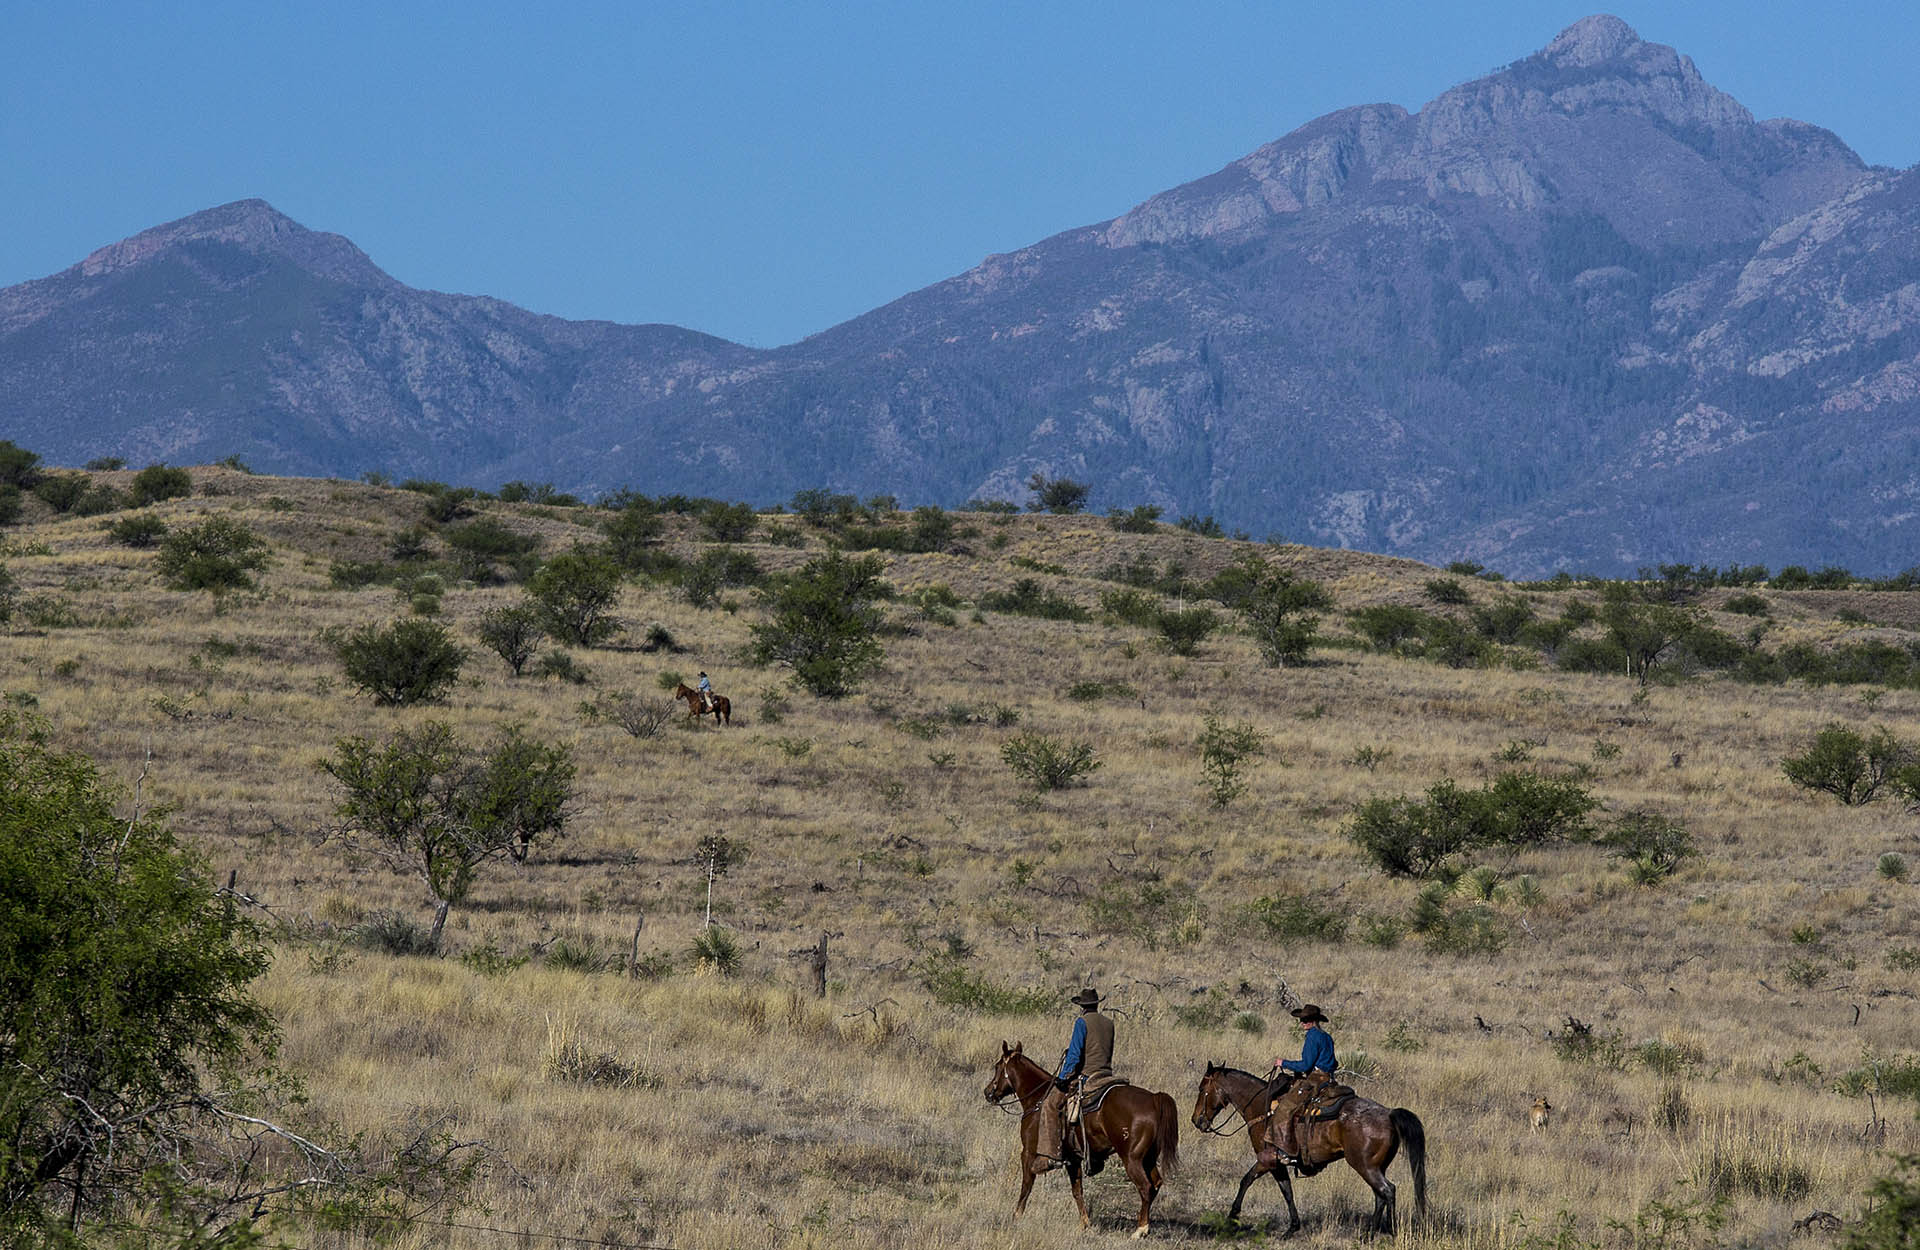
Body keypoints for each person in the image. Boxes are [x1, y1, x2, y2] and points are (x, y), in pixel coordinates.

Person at [1032, 987, 1114, 1175]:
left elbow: (1075, 1055)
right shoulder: (1109, 1023)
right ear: (1096, 1004)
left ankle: (1051, 1155)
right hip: (1107, 1076)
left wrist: (1063, 1078)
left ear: (1082, 1006)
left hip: (1087, 1077)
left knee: (1050, 1105)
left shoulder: (1081, 1022)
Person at [1269, 1004, 1336, 1167]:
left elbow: (1306, 1065)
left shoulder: (1313, 1037)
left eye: (1305, 1020)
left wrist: (1283, 1062)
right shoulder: (1326, 1036)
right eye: (1301, 1020)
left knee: (1285, 1107)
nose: (1302, 1023)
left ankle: (1285, 1150)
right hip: (1329, 1078)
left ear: (1313, 1021)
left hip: (1316, 1079)